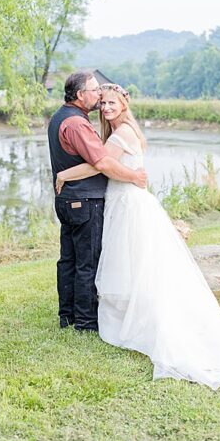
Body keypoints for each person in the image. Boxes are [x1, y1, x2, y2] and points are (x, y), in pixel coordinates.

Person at [56, 84, 220, 390]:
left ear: (123, 104)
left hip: (130, 204)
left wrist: (64, 175)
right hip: (124, 201)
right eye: (102, 103)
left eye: (111, 103)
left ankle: (145, 319)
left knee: (138, 263)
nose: (105, 107)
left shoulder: (122, 134)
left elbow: (99, 165)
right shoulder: (120, 131)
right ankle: (129, 310)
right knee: (131, 262)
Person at [47, 71, 147, 331]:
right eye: (95, 92)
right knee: (87, 262)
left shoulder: (60, 116)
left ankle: (67, 316)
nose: (100, 97)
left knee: (68, 259)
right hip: (84, 200)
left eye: (107, 98)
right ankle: (86, 322)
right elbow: (101, 163)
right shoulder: (78, 124)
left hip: (68, 199)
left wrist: (64, 175)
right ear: (81, 95)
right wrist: (133, 176)